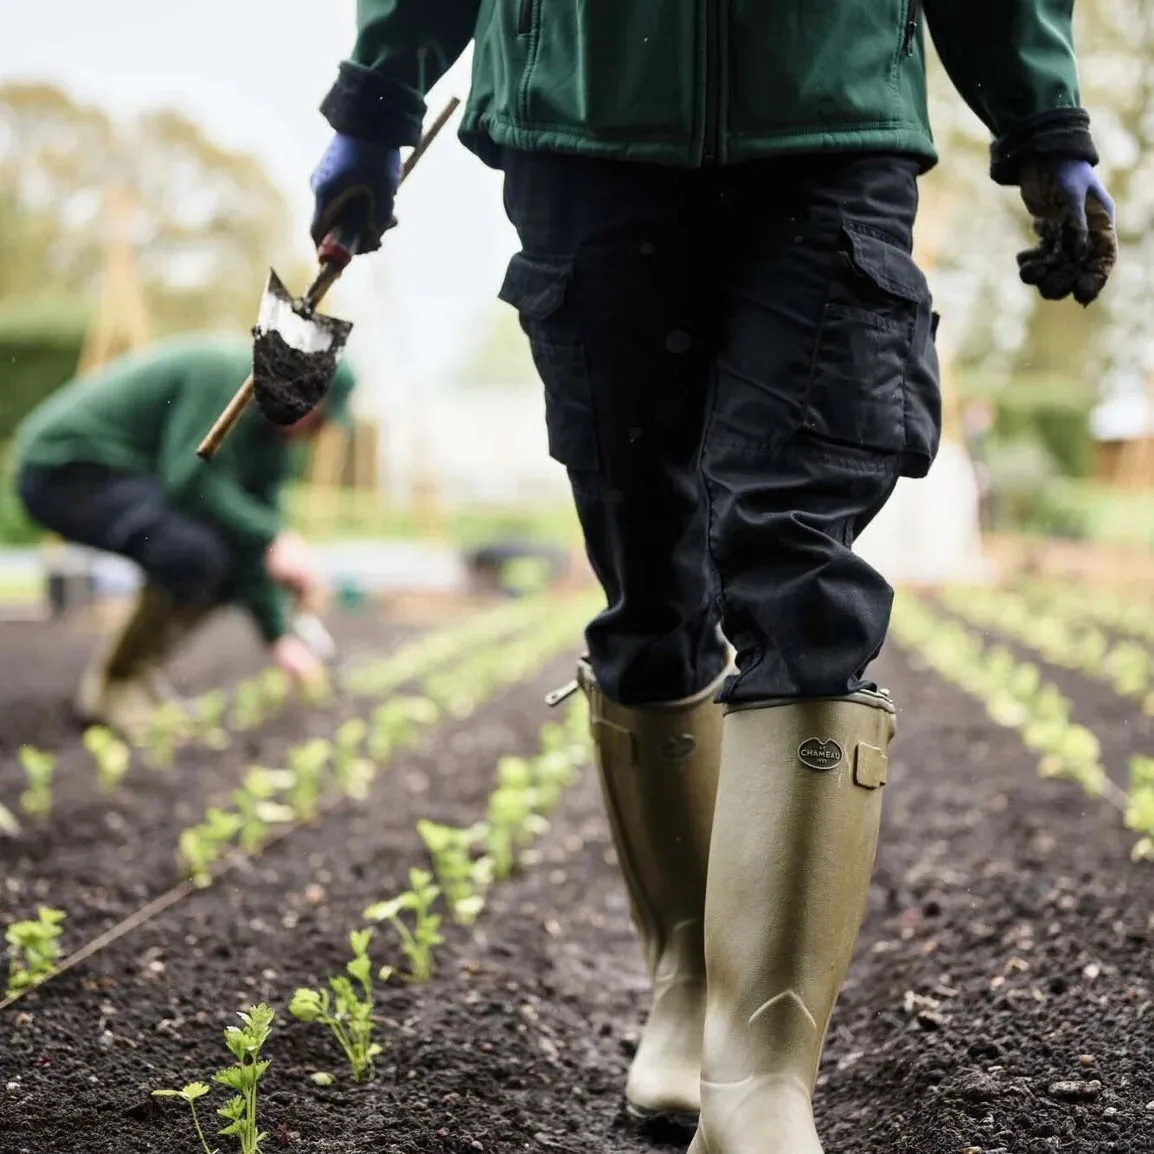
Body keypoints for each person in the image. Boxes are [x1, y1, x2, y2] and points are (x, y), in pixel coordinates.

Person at [307, 7, 1117, 1151]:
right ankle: (687, 986)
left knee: (798, 562)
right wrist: (377, 97)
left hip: (824, 126)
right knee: (646, 583)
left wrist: (1043, 116)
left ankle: (761, 1077)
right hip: (581, 130)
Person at [14, 335, 354, 742]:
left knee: (221, 563)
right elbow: (190, 480)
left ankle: (135, 679)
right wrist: (274, 537)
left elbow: (251, 544)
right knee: (191, 553)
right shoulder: (226, 379)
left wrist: (278, 637)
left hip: (123, 477)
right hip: (66, 466)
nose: (314, 433)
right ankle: (113, 687)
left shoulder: (275, 443)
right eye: (317, 418)